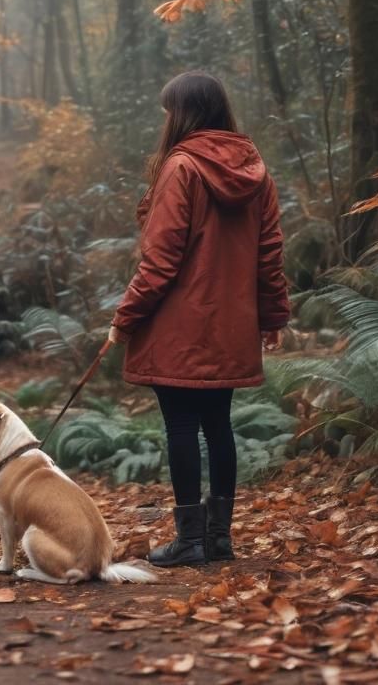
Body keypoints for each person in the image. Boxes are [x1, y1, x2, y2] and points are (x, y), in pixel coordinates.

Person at [108, 71, 289, 568]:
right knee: (218, 426)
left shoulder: (181, 167)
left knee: (182, 427)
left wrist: (125, 317)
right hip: (231, 325)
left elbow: (160, 261)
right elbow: (269, 253)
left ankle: (190, 541)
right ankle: (218, 539)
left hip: (178, 327)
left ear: (183, 113)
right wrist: (272, 315)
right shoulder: (256, 171)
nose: (165, 119)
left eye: (168, 110)